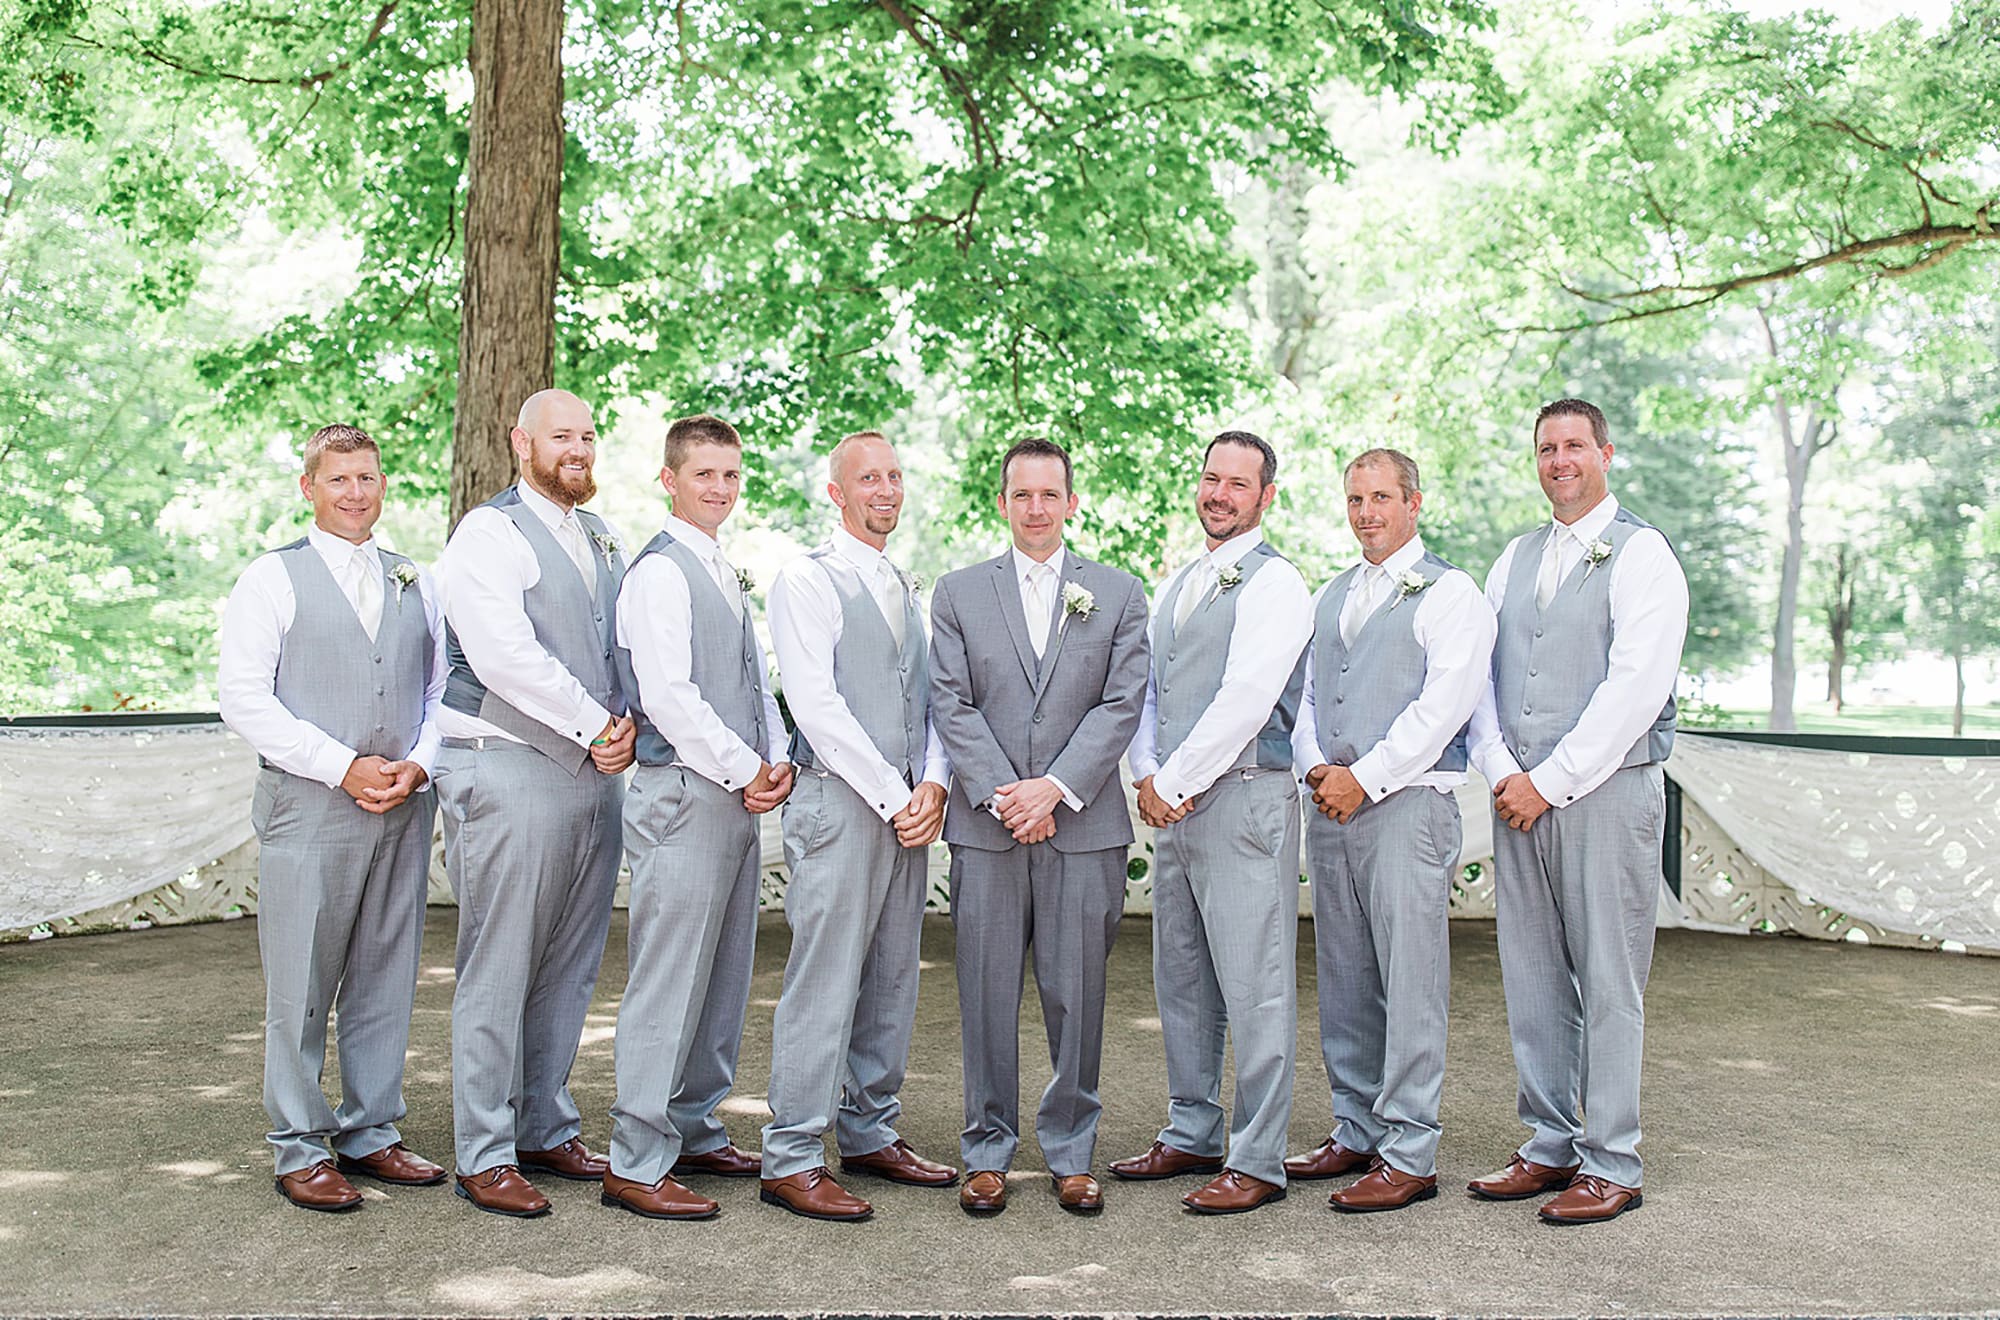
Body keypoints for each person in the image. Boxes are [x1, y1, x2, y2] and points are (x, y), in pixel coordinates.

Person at [1465, 397, 1687, 1225]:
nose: (1559, 460)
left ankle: (1613, 1161)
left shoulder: (1643, 554)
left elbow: (1635, 689)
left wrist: (1549, 781)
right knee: (1531, 974)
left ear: (1605, 453)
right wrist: (1501, 769)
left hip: (1605, 792)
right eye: (1546, 448)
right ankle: (1550, 1141)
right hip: (1517, 794)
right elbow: (1479, 675)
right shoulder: (1514, 557)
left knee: (1608, 978)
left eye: (1574, 446)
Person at [219, 422, 448, 1212]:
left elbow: (442, 690)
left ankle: (372, 1130)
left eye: (368, 477)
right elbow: (244, 698)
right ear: (309, 487)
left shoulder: (416, 579)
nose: (356, 493)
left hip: (401, 805)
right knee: (303, 982)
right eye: (339, 479)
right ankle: (299, 1144)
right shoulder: (271, 579)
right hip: (310, 808)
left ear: (383, 484)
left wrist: (421, 762)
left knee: (386, 974)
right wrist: (340, 765)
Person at [928, 437, 1151, 1217]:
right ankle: (986, 1150)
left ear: (1071, 502)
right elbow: (951, 702)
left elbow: (1122, 703)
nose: (1035, 508)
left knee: (1077, 996)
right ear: (1002, 503)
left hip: (1083, 828)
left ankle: (1071, 1152)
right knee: (986, 994)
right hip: (988, 830)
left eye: (1049, 494)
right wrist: (1006, 797)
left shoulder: (1119, 593)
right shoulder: (957, 593)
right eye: (1021, 494)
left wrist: (1053, 790)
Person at [433, 388, 637, 1218]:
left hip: (593, 772)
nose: (578, 448)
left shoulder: (601, 536)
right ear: (522, 443)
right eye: (561, 436)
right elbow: (504, 655)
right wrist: (598, 725)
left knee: (570, 960)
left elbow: (622, 646)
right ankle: (484, 1153)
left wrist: (630, 727)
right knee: (502, 960)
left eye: (587, 435)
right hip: (508, 764)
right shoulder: (489, 533)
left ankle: (542, 1125)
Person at [1283, 448, 1495, 1213]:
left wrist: (1364, 777)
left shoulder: (1451, 592)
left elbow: (1445, 705)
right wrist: (1316, 768)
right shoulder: (1331, 593)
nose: (1366, 513)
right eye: (1355, 499)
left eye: (1380, 497)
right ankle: (1356, 1127)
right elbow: (1305, 696)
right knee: (1344, 974)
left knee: (1409, 979)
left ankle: (1409, 1150)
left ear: (1413, 502)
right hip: (1332, 805)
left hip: (1407, 805)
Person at [1112, 430, 1312, 1216]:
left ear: (1266, 496)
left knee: (1255, 984)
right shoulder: (1179, 583)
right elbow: (1147, 691)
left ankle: (1257, 1158)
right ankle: (1192, 1129)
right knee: (1184, 978)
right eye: (1210, 479)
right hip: (1178, 806)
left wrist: (1173, 781)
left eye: (1237, 483)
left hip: (1244, 797)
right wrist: (1145, 774)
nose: (1219, 494)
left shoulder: (1277, 583)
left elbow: (1247, 697)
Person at [758, 430, 956, 1221]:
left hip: (907, 809)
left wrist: (934, 782)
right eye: (868, 478)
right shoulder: (807, 580)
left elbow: (934, 699)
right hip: (841, 803)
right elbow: (816, 705)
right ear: (837, 493)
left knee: (892, 976)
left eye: (895, 476)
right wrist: (895, 793)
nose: (886, 489)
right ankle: (792, 1155)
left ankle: (870, 1130)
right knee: (826, 979)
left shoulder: (906, 587)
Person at [602, 414, 791, 1221]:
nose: (720, 487)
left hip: (732, 794)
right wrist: (749, 768)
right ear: (669, 479)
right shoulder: (660, 573)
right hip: (683, 794)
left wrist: (776, 756)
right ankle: (636, 1162)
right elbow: (669, 696)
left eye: (731, 474)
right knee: (669, 978)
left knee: (722, 974)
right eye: (704, 473)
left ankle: (694, 1127)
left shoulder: (718, 566)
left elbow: (749, 679)